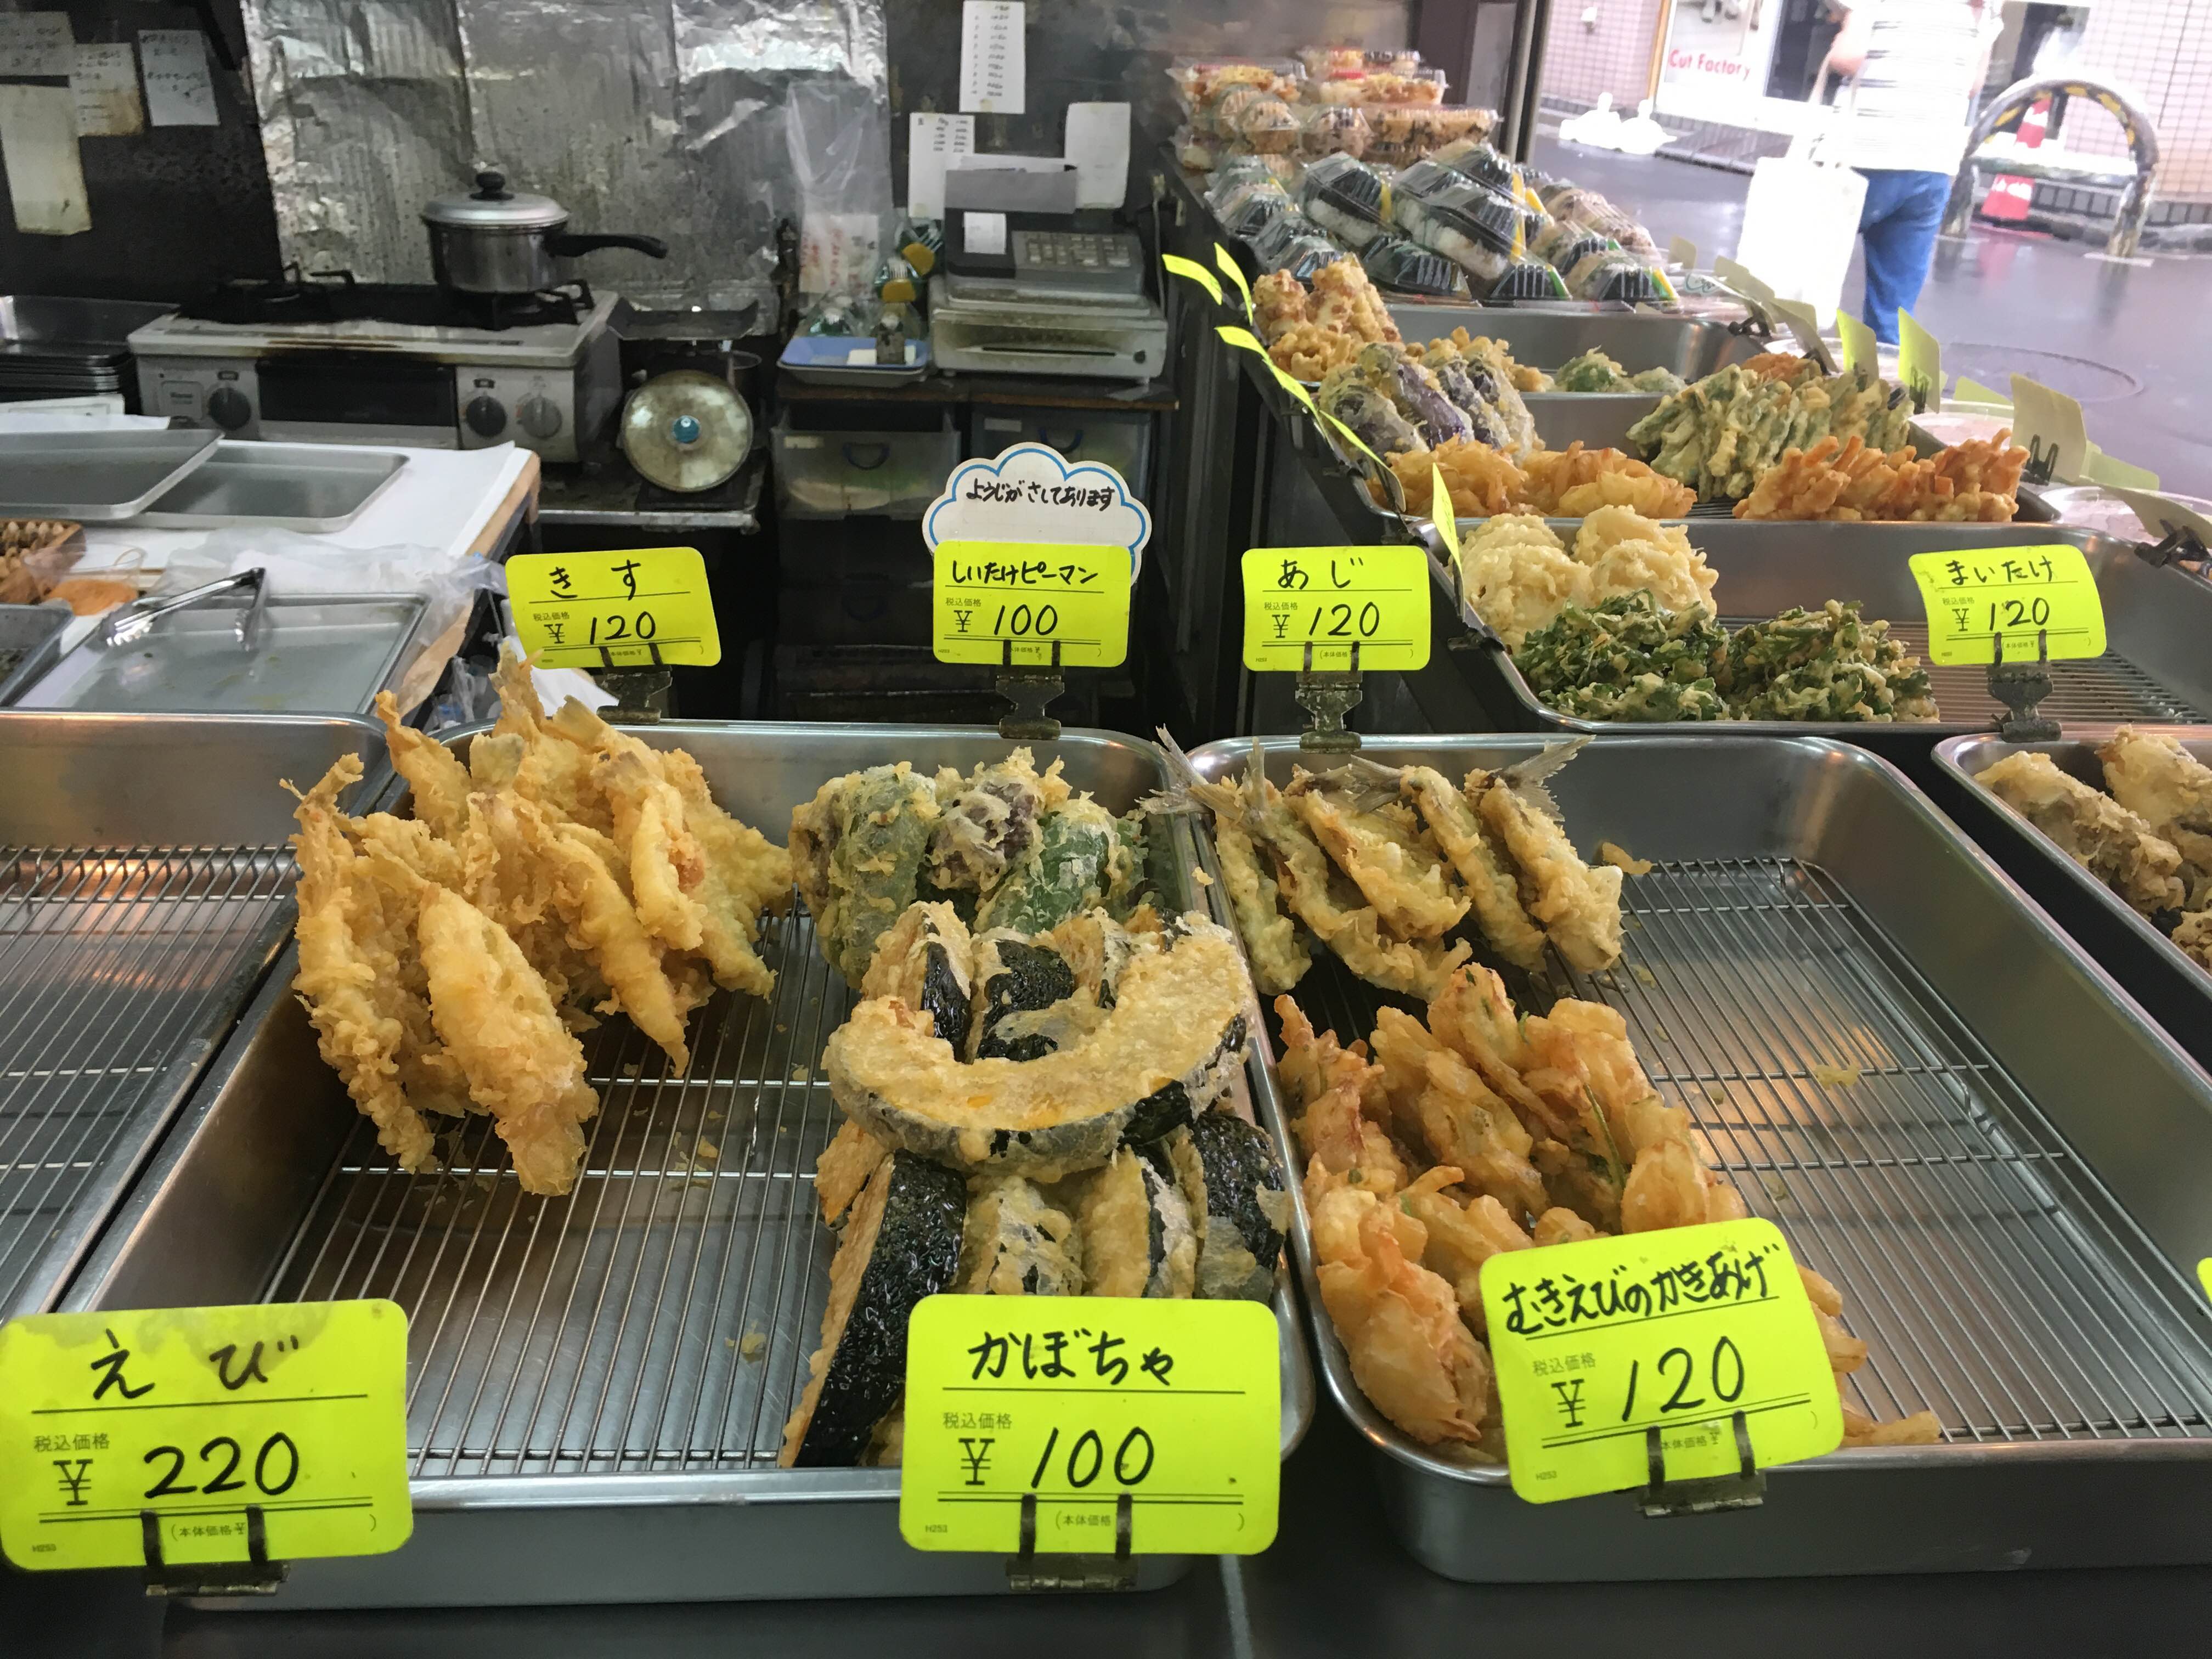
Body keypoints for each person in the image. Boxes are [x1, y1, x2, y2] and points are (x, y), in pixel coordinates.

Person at [1824, 0, 2003, 345]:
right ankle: (1883, 376)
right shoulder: (1987, 8)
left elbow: (1848, 58)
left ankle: (1781, 369)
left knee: (1801, 280)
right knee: (1892, 310)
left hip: (1863, 155)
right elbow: (1973, 84)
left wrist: (1839, 38)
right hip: (1931, 166)